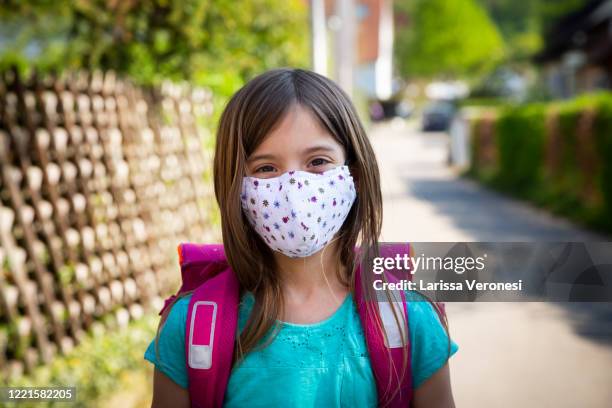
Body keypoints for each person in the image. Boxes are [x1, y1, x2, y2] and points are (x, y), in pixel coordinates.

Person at [144, 68, 458, 407]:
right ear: (235, 185)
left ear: (354, 170)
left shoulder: (410, 319)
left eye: (318, 161)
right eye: (266, 168)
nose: (294, 188)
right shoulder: (191, 329)